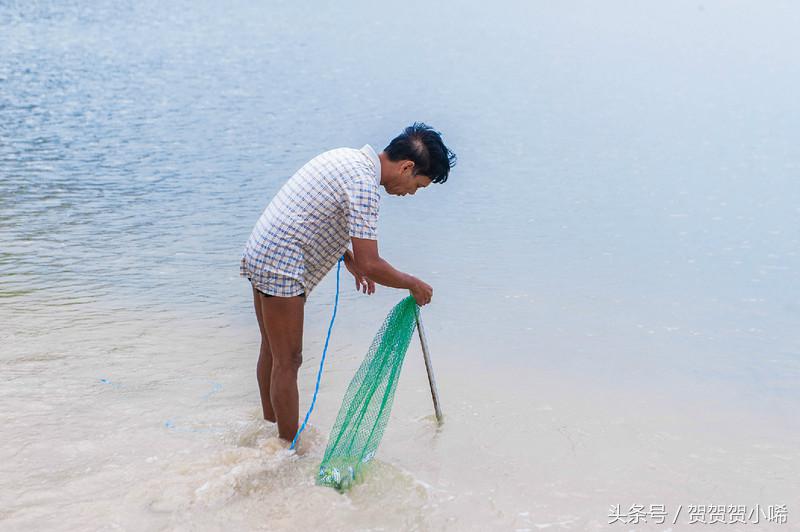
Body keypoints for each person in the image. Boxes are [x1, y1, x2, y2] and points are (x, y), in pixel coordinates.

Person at [240, 122, 457, 442]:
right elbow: (373, 264)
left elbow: (313, 212)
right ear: (407, 167)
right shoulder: (366, 186)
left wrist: (347, 257)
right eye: (418, 185)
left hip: (264, 248)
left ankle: (272, 429)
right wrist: (413, 283)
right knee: (289, 359)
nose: (411, 193)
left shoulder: (348, 159)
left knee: (274, 352)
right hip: (281, 263)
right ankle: (288, 449)